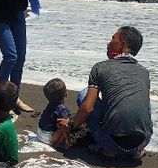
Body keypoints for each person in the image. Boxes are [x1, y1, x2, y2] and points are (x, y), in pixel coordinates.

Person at [63, 26, 152, 159]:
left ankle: (109, 149)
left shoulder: (100, 67)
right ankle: (134, 151)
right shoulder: (144, 72)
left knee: (84, 94)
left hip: (111, 144)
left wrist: (71, 127)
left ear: (122, 45)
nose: (108, 43)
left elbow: (87, 108)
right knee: (140, 99)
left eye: (113, 39)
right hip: (143, 141)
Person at [37, 78, 72, 148]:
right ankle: (59, 142)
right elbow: (64, 126)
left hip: (40, 133)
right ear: (66, 94)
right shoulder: (63, 109)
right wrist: (68, 140)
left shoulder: (50, 104)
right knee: (66, 124)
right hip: (49, 138)